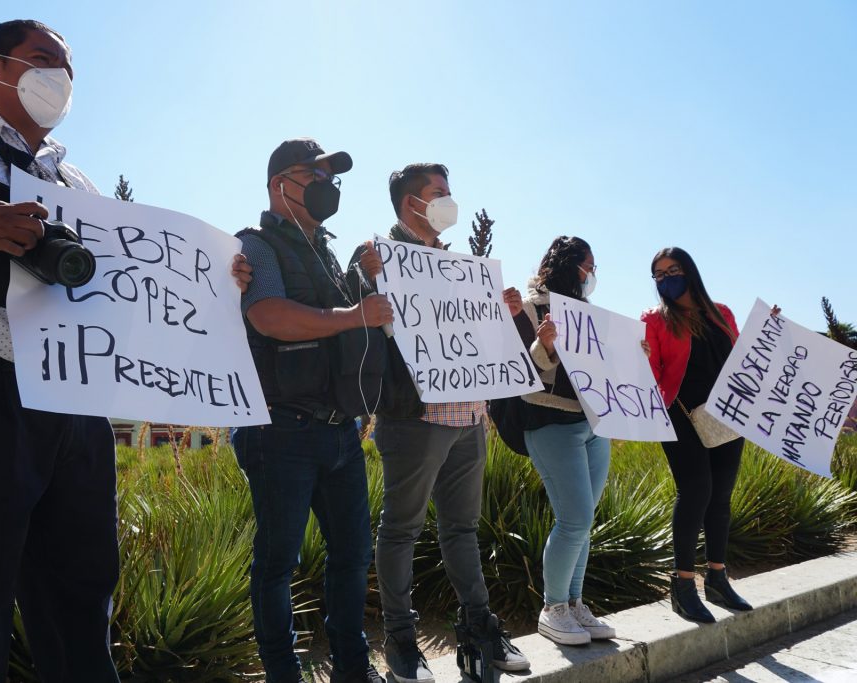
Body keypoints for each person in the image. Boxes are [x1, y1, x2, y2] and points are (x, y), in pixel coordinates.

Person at [0, 20, 251, 682]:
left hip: (72, 407)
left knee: (81, 605)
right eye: (43, 60)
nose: (61, 77)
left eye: (69, 68)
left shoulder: (75, 181)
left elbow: (126, 290)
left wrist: (218, 288)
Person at [346, 163, 529, 682]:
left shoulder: (457, 267)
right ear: (411, 203)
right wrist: (368, 274)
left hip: (469, 415)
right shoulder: (375, 255)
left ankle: (479, 628)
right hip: (413, 415)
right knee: (401, 528)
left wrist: (505, 312)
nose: (449, 201)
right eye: (439, 193)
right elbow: (355, 311)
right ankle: (402, 641)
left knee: (462, 529)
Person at [231, 138, 392, 683]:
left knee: (352, 556)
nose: (325, 185)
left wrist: (362, 275)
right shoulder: (255, 247)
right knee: (278, 565)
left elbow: (347, 313)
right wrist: (354, 313)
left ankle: (352, 668)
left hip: (339, 433)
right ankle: (284, 674)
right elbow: (271, 316)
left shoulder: (323, 249)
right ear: (280, 183)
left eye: (330, 176)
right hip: (279, 431)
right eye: (312, 174)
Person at [642, 247, 757, 623]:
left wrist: (768, 333)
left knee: (721, 496)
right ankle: (683, 586)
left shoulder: (721, 313)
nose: (665, 279)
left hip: (726, 414)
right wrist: (640, 357)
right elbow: (653, 373)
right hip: (678, 414)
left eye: (672, 270)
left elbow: (745, 359)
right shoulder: (655, 320)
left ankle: (718, 579)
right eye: (658, 275)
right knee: (696, 491)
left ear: (689, 271)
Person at [514, 236, 616, 646]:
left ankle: (574, 604)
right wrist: (546, 344)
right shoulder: (528, 307)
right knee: (573, 519)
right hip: (549, 422)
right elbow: (518, 372)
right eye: (588, 265)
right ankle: (552, 608)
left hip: (593, 425)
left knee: (584, 522)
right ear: (571, 265)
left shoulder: (590, 314)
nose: (592, 274)